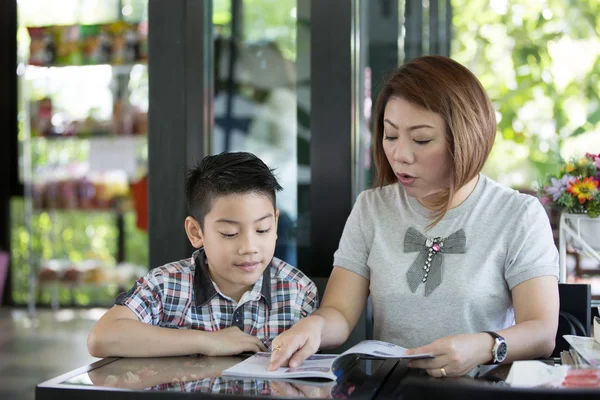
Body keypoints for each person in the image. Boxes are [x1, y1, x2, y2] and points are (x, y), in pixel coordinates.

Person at [269, 55, 559, 377]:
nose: (399, 155)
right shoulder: (372, 208)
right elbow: (338, 311)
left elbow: (542, 332)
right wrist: (314, 327)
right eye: (390, 136)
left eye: (421, 140)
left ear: (466, 136)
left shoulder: (517, 215)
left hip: (481, 390)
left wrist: (482, 347)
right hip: (392, 388)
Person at [88, 152, 318, 358]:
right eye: (230, 233)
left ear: (276, 224)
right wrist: (207, 341)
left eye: (262, 230)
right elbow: (102, 337)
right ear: (196, 232)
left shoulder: (298, 292)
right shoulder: (165, 286)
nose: (249, 247)